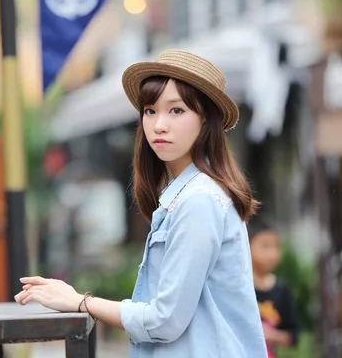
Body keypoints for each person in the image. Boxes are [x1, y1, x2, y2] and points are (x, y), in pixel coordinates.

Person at [14, 50, 267, 357]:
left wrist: (82, 302)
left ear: (206, 120)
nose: (159, 125)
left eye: (176, 111)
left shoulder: (198, 201)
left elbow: (165, 320)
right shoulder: (185, 195)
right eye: (150, 110)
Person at [248, 219, 299, 357]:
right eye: (265, 246)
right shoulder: (241, 287)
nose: (272, 254)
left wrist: (270, 334)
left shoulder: (281, 289)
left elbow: (293, 337)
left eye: (276, 247)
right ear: (247, 246)